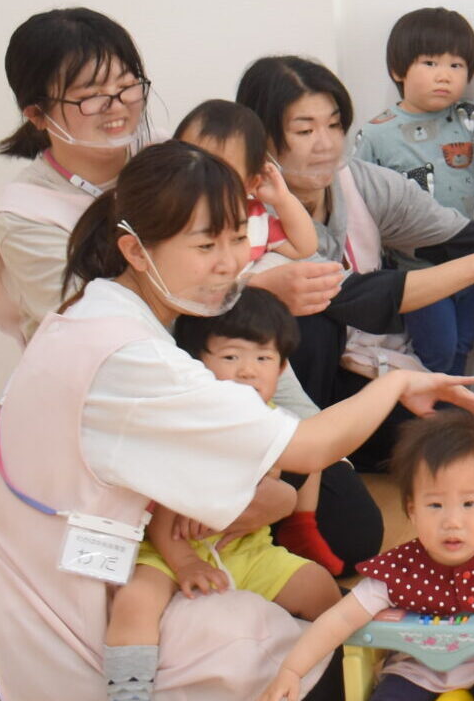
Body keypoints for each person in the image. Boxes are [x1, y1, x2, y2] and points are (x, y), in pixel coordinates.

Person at [0, 141, 474, 701]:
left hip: (67, 577)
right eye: (205, 245)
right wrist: (396, 383)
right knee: (318, 668)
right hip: (72, 611)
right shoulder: (131, 357)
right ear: (134, 250)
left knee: (326, 628)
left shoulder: (96, 311)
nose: (230, 262)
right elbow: (308, 448)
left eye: (237, 237)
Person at [239, 55, 474, 561]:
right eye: (304, 130)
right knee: (313, 321)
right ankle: (294, 477)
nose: (326, 143)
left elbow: (461, 240)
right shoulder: (248, 214)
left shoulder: (359, 182)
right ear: (264, 140)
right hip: (283, 401)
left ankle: (336, 464)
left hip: (357, 371)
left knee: (449, 435)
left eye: (334, 125)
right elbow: (356, 299)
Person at [105, 289, 343, 698]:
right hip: (167, 551)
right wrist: (184, 563)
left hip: (247, 551)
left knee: (320, 587)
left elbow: (276, 488)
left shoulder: (274, 422)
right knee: (135, 601)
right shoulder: (184, 422)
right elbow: (162, 513)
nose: (248, 371)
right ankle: (128, 691)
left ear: (282, 367)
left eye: (264, 359)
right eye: (231, 357)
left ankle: (358, 667)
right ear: (195, 363)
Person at [258, 410, 474, 701]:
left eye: (469, 504)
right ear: (412, 510)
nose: (452, 521)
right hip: (420, 666)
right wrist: (292, 670)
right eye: (435, 505)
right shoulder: (399, 571)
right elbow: (340, 619)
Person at [352, 7, 474, 378]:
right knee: (437, 349)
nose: (445, 75)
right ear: (398, 70)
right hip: (415, 268)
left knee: (464, 342)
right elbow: (360, 207)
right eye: (430, 63)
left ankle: (451, 409)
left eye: (456, 65)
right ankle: (427, 410)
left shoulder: (472, 119)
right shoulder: (376, 133)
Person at [0, 8, 156, 344]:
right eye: (91, 96)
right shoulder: (24, 213)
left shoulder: (167, 156)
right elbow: (91, 329)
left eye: (127, 85)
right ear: (37, 114)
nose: (117, 104)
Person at [176, 101, 318, 268]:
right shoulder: (167, 211)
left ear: (250, 184)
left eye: (222, 173)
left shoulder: (253, 219)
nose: (201, 179)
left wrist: (283, 200)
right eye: (189, 163)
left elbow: (303, 248)